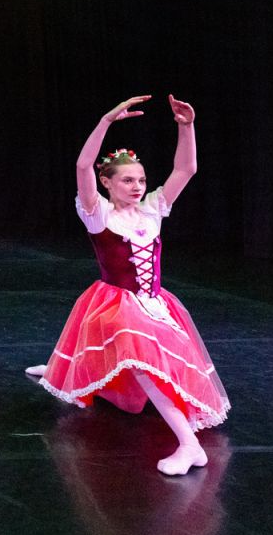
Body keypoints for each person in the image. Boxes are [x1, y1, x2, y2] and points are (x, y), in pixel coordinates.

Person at [27, 95, 230, 476]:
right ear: (107, 183)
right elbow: (83, 164)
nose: (137, 186)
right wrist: (105, 120)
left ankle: (60, 368)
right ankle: (189, 444)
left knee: (145, 371)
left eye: (140, 180)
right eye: (127, 180)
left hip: (155, 302)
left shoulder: (153, 208)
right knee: (140, 361)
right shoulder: (97, 213)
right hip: (116, 303)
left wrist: (186, 127)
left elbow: (186, 169)